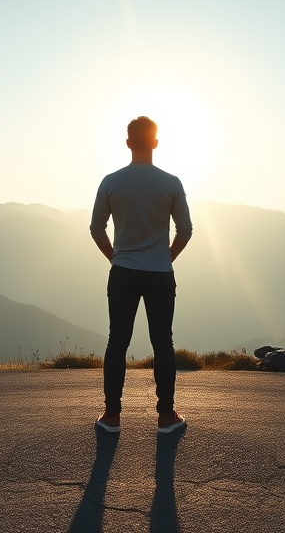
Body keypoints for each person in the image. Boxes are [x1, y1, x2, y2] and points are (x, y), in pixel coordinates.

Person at [90, 116, 193, 434]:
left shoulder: (110, 181)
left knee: (117, 341)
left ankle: (112, 417)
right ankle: (165, 416)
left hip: (122, 273)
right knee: (163, 342)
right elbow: (186, 231)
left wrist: (117, 258)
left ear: (128, 143)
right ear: (156, 143)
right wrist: (165, 257)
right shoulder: (171, 183)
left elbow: (96, 229)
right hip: (160, 273)